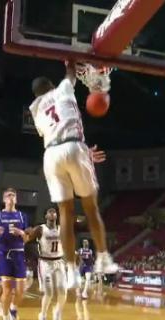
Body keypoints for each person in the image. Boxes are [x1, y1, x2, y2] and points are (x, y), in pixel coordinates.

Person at [29, 60, 118, 288]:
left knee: (65, 214)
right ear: (51, 85)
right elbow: (70, 74)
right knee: (90, 206)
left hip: (51, 155)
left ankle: (70, 271)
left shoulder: (35, 109)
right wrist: (70, 61)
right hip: (73, 147)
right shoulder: (62, 89)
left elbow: (56, 132)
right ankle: (104, 258)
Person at [0, 188, 29, 320]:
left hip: (19, 254)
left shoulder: (23, 216)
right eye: (8, 195)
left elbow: (27, 238)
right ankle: (5, 319)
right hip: (4, 255)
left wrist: (21, 233)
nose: (11, 197)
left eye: (13, 195)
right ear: (4, 200)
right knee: (6, 290)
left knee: (21, 291)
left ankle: (13, 308)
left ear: (16, 199)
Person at [27, 208, 66, 320]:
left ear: (56, 216)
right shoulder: (40, 229)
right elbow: (28, 240)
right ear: (46, 216)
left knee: (63, 291)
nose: (52, 213)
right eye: (50, 212)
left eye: (54, 212)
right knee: (49, 292)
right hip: (45, 263)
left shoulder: (61, 229)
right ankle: (42, 315)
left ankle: (57, 312)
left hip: (59, 261)